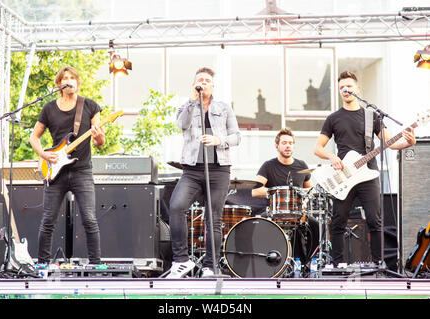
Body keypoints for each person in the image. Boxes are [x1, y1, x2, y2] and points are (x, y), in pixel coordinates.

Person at [314, 70, 416, 266]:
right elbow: (318, 148)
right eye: (342, 86)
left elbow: (390, 142)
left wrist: (407, 143)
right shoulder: (333, 118)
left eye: (349, 86)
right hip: (343, 176)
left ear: (357, 89)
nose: (345, 89)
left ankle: (378, 263)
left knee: (374, 220)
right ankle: (338, 264)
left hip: (368, 174)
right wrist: (332, 156)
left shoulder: (372, 116)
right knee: (338, 221)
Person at [167, 67, 241, 278]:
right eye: (200, 80)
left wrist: (220, 140)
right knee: (176, 206)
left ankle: (211, 267)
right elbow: (181, 125)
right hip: (192, 169)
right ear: (194, 85)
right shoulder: (186, 106)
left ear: (213, 85)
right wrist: (192, 101)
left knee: (213, 218)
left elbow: (237, 136)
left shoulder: (223, 107)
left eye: (207, 80)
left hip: (219, 169)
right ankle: (181, 261)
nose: (203, 82)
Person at [30, 66, 105, 265]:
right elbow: (34, 136)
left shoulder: (89, 105)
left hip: (82, 171)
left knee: (89, 220)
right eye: (66, 78)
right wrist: (43, 154)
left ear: (77, 82)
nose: (70, 80)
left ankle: (96, 265)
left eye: (73, 77)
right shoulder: (48, 108)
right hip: (55, 171)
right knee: (48, 221)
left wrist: (98, 136)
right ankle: (42, 265)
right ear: (59, 84)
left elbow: (99, 142)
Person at [252, 128, 317, 266]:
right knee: (258, 224)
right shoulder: (268, 166)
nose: (288, 145)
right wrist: (277, 192)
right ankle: (263, 263)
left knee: (316, 226)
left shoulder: (302, 165)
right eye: (284, 143)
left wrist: (305, 200)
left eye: (290, 143)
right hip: (274, 212)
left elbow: (310, 189)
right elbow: (255, 191)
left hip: (298, 213)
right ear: (277, 146)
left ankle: (310, 263)